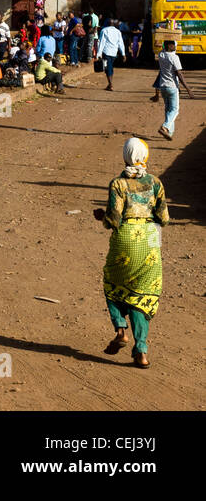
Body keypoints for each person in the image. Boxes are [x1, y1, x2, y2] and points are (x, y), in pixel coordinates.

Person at [95, 138, 168, 369]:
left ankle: (120, 329)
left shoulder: (117, 184)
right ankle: (142, 352)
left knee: (112, 283)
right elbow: (164, 219)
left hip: (125, 238)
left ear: (125, 156)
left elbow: (113, 220)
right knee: (141, 295)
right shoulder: (156, 183)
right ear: (144, 156)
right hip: (149, 239)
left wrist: (102, 217)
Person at [152, 39, 193, 140]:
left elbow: (161, 47)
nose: (175, 47)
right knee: (175, 110)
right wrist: (188, 89)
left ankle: (169, 132)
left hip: (163, 87)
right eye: (174, 45)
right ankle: (165, 126)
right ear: (169, 46)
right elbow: (179, 74)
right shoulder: (174, 57)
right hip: (172, 87)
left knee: (168, 110)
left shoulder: (161, 55)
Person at [96, 17, 126, 91]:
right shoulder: (118, 31)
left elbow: (101, 42)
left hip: (106, 52)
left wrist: (98, 54)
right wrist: (123, 54)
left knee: (107, 68)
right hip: (114, 53)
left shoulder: (104, 30)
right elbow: (121, 43)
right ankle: (109, 84)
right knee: (110, 67)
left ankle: (110, 84)